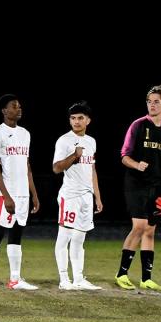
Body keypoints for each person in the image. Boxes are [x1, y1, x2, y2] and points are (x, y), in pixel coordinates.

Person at [115, 86, 161, 291]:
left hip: (157, 186)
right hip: (135, 184)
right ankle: (122, 274)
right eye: (149, 101)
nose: (152, 104)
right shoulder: (138, 125)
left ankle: (146, 278)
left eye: (156, 101)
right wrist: (137, 165)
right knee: (139, 227)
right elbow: (124, 156)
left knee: (150, 231)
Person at [0, 94, 40, 291]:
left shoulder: (25, 133)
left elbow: (27, 165)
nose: (19, 109)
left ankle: (15, 279)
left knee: (17, 233)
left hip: (23, 192)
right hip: (6, 193)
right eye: (15, 106)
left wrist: (33, 193)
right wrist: (6, 196)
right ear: (4, 111)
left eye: (19, 105)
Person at [53, 101, 103, 291]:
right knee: (64, 236)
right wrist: (74, 156)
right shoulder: (64, 140)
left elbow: (92, 170)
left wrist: (97, 196)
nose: (76, 121)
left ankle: (79, 278)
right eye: (73, 118)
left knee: (80, 238)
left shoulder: (91, 141)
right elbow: (56, 168)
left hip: (86, 197)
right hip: (70, 195)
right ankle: (63, 279)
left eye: (80, 118)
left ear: (88, 120)